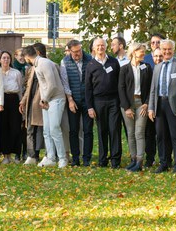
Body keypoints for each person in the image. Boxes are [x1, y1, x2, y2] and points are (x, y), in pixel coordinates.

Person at [148, 39, 176, 173]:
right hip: (159, 104)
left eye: (169, 49)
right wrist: (150, 107)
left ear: (173, 50)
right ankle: (164, 162)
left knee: (175, 135)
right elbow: (153, 89)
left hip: (175, 105)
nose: (166, 52)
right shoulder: (158, 66)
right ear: (160, 49)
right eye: (164, 49)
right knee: (160, 135)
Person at [23, 45, 68, 168]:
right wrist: (44, 100)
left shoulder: (44, 63)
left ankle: (62, 158)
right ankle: (51, 158)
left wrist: (44, 99)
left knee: (54, 129)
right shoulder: (37, 65)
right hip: (47, 100)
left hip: (56, 99)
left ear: (27, 57)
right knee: (46, 131)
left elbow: (52, 84)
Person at [85, 38, 122, 168]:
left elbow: (119, 83)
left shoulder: (113, 62)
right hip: (98, 102)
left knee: (114, 130)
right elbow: (88, 88)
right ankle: (102, 160)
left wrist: (120, 101)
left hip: (113, 101)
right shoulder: (90, 65)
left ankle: (115, 161)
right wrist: (90, 107)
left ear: (106, 47)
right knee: (102, 131)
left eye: (102, 45)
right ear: (94, 48)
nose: (100, 47)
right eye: (98, 46)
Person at [119, 43, 153, 172]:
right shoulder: (124, 69)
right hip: (128, 104)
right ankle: (133, 160)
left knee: (139, 132)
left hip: (142, 104)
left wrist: (147, 103)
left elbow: (151, 87)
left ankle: (139, 161)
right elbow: (121, 89)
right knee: (130, 133)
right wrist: (127, 107)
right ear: (133, 52)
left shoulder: (147, 67)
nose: (143, 53)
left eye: (144, 51)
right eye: (141, 51)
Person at [60, 39, 94, 166]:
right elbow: (65, 82)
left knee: (88, 130)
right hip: (73, 99)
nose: (78, 54)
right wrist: (70, 100)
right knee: (73, 130)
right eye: (75, 52)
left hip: (87, 100)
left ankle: (87, 158)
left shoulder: (89, 59)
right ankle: (75, 158)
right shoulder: (65, 62)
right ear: (69, 51)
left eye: (79, 50)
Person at [0, 51, 24, 164]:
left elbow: (20, 88)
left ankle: (16, 154)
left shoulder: (16, 73)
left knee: (15, 128)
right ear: (0, 60)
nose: (6, 60)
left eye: (8, 58)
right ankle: (6, 155)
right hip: (2, 100)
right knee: (4, 127)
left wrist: (21, 102)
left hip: (14, 100)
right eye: (3, 58)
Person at [19, 54, 44, 165]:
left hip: (41, 103)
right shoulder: (30, 69)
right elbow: (28, 86)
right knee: (29, 129)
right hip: (30, 102)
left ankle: (37, 154)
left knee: (39, 130)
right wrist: (23, 101)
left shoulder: (47, 66)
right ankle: (31, 155)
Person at [144, 47, 164, 167]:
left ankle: (164, 158)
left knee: (162, 134)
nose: (158, 58)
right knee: (149, 134)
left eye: (160, 56)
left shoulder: (167, 69)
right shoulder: (148, 70)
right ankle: (150, 158)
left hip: (163, 106)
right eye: (156, 56)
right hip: (150, 106)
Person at [13, 48, 28, 159]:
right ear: (15, 56)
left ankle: (25, 151)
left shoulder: (28, 68)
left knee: (25, 127)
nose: (22, 57)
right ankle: (17, 152)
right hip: (16, 100)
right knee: (17, 127)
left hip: (26, 99)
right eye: (20, 55)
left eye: (24, 55)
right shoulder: (13, 68)